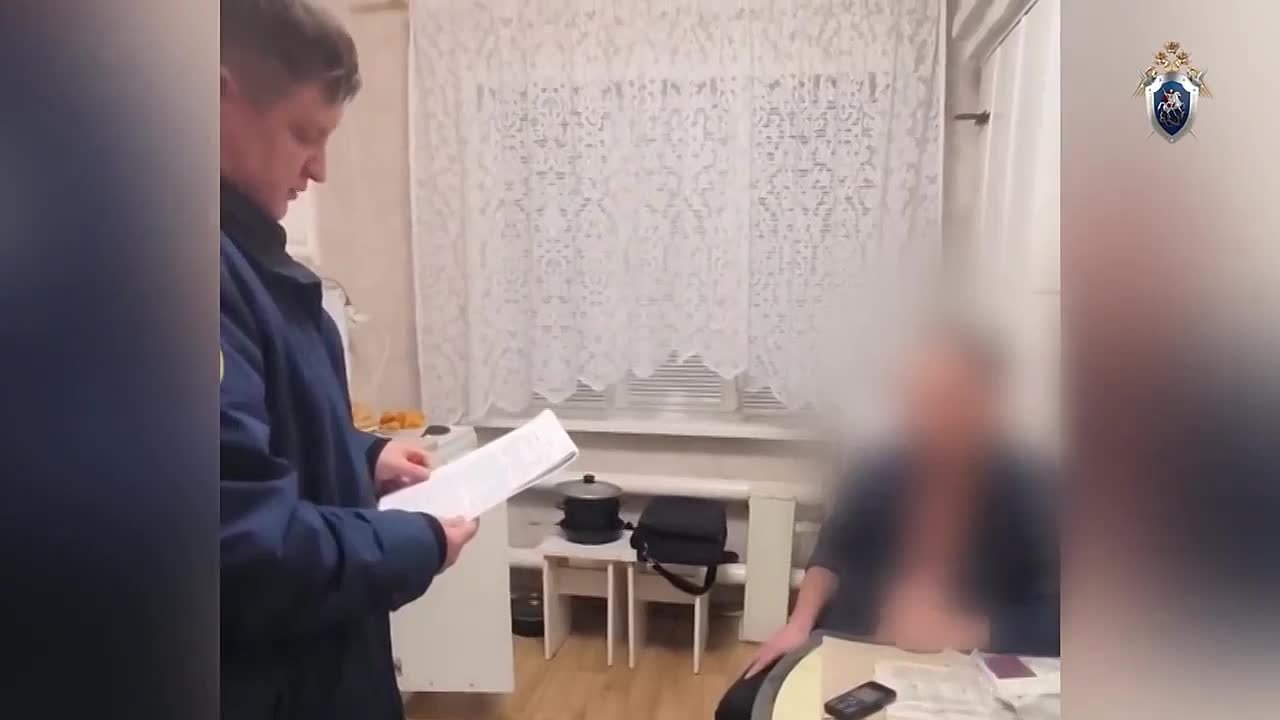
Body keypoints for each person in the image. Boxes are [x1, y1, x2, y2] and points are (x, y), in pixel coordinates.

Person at [219, 2, 477, 718]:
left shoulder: (249, 259)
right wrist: (418, 541)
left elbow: (258, 436)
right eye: (304, 135)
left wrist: (361, 455)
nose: (320, 170)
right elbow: (240, 546)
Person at [715, 327, 1059, 720]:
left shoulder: (1034, 486)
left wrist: (963, 629)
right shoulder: (880, 466)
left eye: (949, 400)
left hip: (969, 661)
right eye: (920, 400)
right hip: (854, 632)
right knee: (738, 708)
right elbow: (833, 550)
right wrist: (799, 623)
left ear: (989, 402)